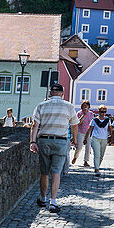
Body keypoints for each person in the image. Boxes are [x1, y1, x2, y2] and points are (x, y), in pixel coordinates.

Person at [29, 82, 79, 213]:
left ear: (50, 93)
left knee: (44, 172)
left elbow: (35, 125)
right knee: (56, 172)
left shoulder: (41, 105)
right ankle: (53, 202)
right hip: (61, 142)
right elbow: (74, 125)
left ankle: (43, 198)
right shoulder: (68, 106)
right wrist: (74, 139)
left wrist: (33, 141)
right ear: (62, 94)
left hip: (44, 141)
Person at [88, 105, 114, 176]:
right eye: (102, 112)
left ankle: (97, 166)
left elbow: (110, 129)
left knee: (101, 155)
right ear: (98, 112)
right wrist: (86, 138)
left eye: (105, 112)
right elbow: (89, 129)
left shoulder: (108, 120)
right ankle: (97, 169)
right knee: (97, 154)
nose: (103, 113)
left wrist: (112, 138)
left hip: (104, 139)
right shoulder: (94, 120)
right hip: (95, 138)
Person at [72, 101, 93, 166]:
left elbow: (92, 123)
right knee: (79, 147)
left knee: (88, 147)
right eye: (84, 106)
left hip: (88, 132)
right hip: (80, 132)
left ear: (89, 106)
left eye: (86, 106)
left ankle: (86, 161)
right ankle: (75, 157)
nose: (85, 107)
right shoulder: (79, 113)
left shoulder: (91, 113)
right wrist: (84, 115)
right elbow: (78, 123)